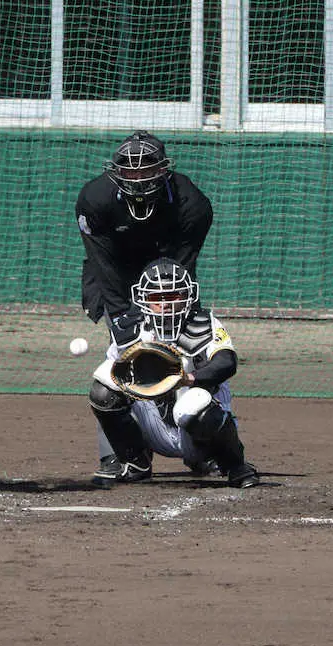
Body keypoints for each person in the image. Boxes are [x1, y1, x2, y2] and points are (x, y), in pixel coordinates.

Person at [76, 130, 218, 480]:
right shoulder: (95, 199)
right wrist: (122, 321)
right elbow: (104, 266)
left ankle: (205, 447)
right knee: (121, 357)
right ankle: (122, 455)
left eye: (147, 168)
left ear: (164, 169)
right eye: (130, 168)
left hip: (169, 273)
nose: (138, 176)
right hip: (115, 272)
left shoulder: (191, 203)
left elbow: (183, 267)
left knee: (186, 348)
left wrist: (167, 306)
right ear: (116, 171)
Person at [88, 257, 260, 489]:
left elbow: (226, 362)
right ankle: (134, 461)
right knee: (103, 388)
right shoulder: (127, 329)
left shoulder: (205, 323)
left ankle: (234, 465)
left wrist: (189, 379)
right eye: (156, 297)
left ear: (187, 296)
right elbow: (111, 376)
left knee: (193, 402)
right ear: (143, 299)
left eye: (173, 296)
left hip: (199, 422)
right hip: (152, 423)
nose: (165, 304)